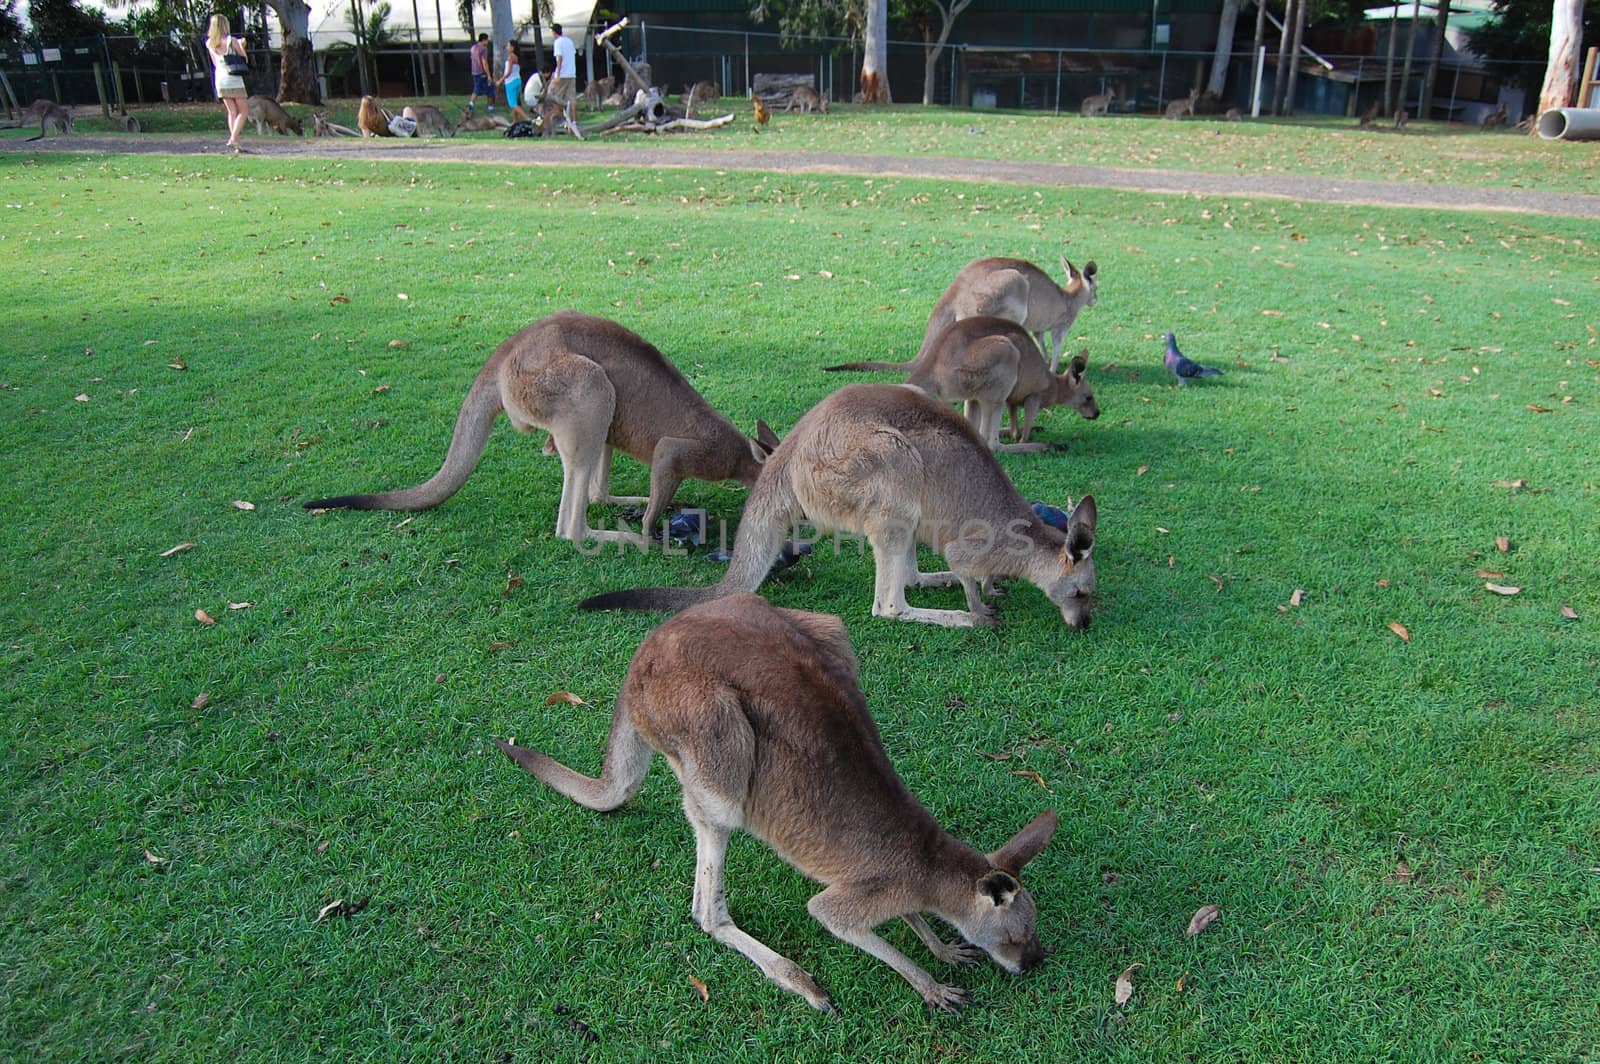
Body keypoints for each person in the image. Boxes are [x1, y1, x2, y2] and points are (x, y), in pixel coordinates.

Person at [205, 13, 249, 151]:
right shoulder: (231, 40)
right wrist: (242, 45)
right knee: (244, 110)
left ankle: (237, 143)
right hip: (233, 78)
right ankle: (233, 138)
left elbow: (215, 63)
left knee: (232, 112)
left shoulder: (210, 44)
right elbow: (244, 58)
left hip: (220, 78)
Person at [548, 23, 577, 126]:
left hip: (563, 74)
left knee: (555, 96)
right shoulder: (569, 41)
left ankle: (558, 119)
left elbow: (559, 58)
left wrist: (557, 74)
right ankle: (573, 121)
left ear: (554, 32)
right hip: (571, 73)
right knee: (572, 98)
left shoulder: (558, 42)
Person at [497, 40, 532, 124]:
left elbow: (508, 72)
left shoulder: (511, 57)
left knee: (512, 104)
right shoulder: (517, 56)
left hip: (510, 82)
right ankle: (515, 120)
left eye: (508, 46)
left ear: (513, 48)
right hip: (517, 80)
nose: (507, 47)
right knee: (515, 102)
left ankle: (527, 118)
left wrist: (500, 81)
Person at [467, 33, 493, 115]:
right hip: (482, 72)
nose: (488, 41)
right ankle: (490, 107)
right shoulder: (483, 49)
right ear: (484, 40)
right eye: (487, 40)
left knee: (477, 88)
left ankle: (471, 104)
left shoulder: (473, 48)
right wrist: (488, 75)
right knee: (490, 89)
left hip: (474, 71)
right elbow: (484, 62)